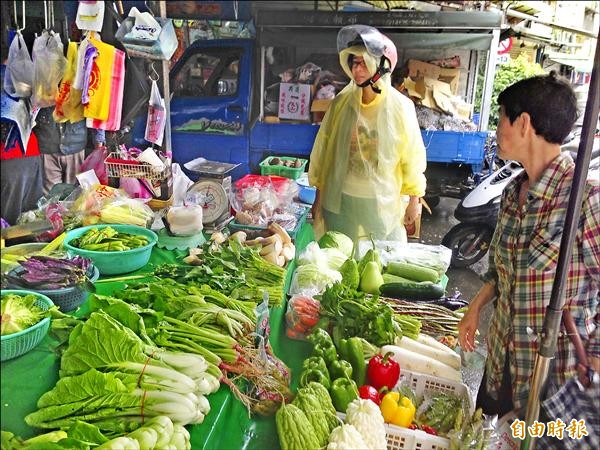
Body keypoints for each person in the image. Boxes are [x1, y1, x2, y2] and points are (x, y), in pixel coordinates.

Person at [457, 73, 600, 420]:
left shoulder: (585, 199)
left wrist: (595, 357)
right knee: (486, 435)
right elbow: (499, 271)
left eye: (500, 118)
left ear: (522, 123)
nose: (496, 130)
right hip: (503, 365)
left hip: (556, 382)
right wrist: (475, 307)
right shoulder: (511, 193)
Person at [308, 25, 426, 245]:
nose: (357, 69)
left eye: (364, 62)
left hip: (380, 202)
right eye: (354, 62)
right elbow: (324, 153)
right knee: (341, 260)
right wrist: (318, 198)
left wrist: (414, 200)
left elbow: (411, 157)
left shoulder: (401, 107)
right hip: (341, 199)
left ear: (381, 66)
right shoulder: (341, 105)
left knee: (378, 263)